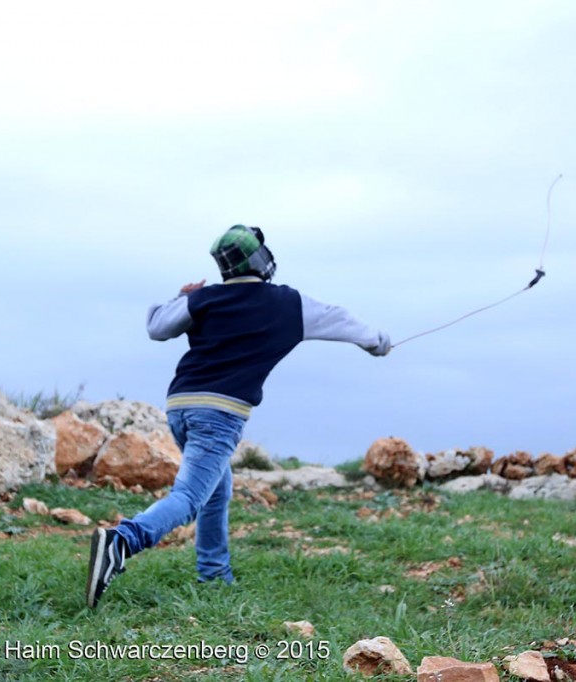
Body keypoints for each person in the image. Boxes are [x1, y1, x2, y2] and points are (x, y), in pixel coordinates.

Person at [86, 224, 390, 608]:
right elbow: (340, 318)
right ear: (262, 259)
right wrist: (377, 342)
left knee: (217, 489)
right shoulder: (287, 303)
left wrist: (183, 296)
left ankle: (214, 576)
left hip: (180, 405)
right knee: (190, 496)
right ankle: (122, 540)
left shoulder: (206, 299)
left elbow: (156, 327)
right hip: (220, 413)